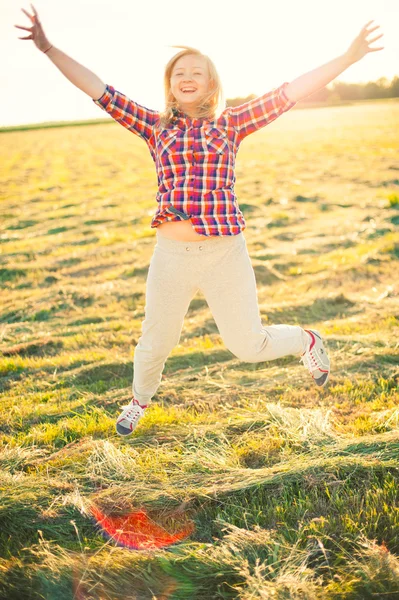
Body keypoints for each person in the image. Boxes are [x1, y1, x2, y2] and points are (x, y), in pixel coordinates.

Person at [16, 5, 384, 436]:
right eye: (178, 73)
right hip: (172, 255)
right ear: (170, 86)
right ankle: (139, 401)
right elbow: (100, 90)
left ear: (211, 84)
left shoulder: (230, 124)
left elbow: (290, 92)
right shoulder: (155, 128)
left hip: (225, 252)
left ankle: (307, 341)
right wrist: (47, 48)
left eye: (197, 72)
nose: (187, 77)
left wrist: (347, 58)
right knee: (155, 342)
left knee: (248, 346)